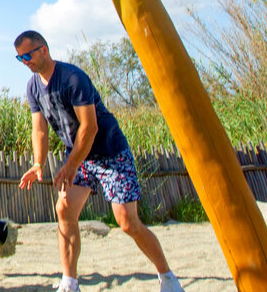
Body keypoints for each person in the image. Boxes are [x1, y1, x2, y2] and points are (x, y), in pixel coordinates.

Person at [15, 30, 183, 292]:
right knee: (64, 210)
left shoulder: (73, 77)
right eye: (19, 58)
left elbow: (89, 128)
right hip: (81, 157)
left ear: (43, 50)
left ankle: (168, 277)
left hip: (109, 153)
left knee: (127, 222)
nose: (25, 61)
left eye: (28, 55)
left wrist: (70, 165)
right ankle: (70, 283)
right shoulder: (33, 87)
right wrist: (38, 163)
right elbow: (39, 129)